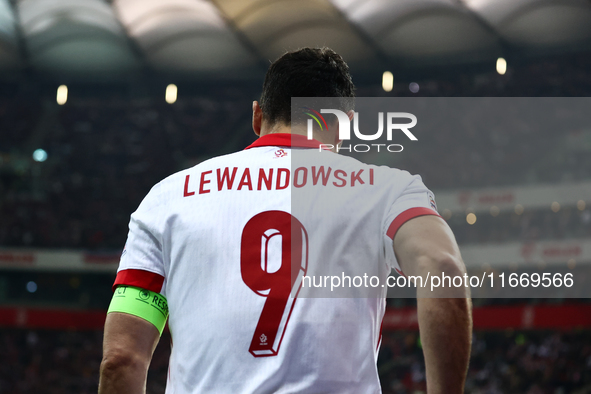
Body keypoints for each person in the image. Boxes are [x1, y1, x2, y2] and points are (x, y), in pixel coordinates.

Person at [99, 47, 472, 394]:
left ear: (258, 115)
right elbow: (441, 266)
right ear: (345, 125)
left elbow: (121, 360)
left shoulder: (167, 197)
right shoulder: (389, 189)